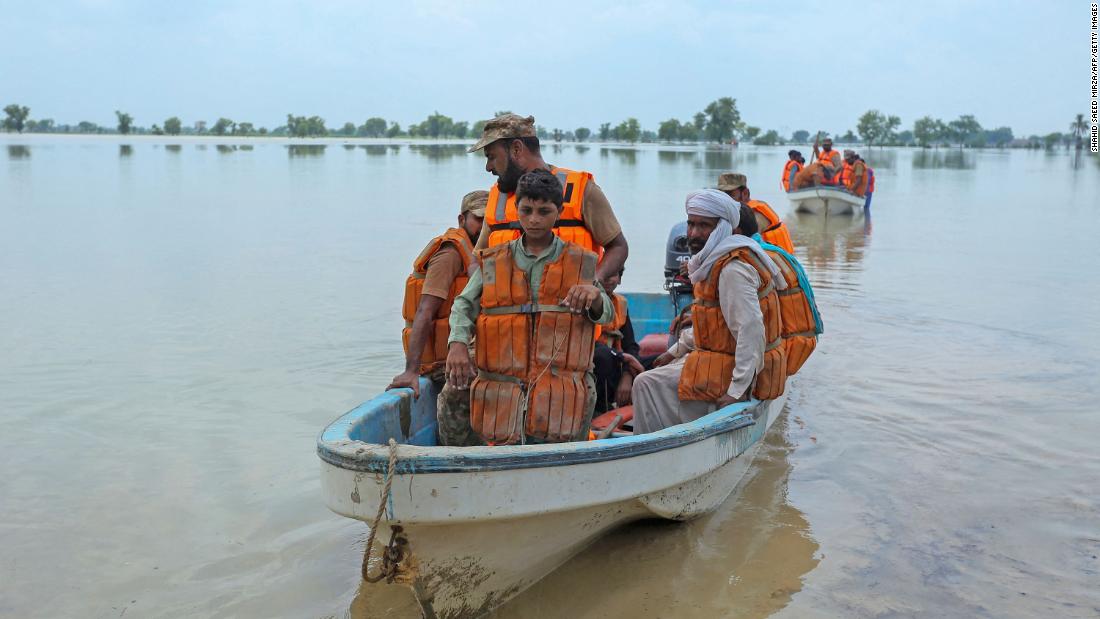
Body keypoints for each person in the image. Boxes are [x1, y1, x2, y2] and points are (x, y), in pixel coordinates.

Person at [445, 170, 614, 444]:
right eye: (527, 210)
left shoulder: (579, 262)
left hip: (560, 389)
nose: (534, 219)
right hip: (504, 385)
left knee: (586, 392)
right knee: (453, 395)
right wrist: (458, 344)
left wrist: (595, 296)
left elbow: (607, 312)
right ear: (516, 209)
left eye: (544, 211)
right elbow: (464, 304)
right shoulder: (494, 262)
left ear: (558, 211)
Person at [632, 190, 788, 434]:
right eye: (691, 224)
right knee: (658, 372)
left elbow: (751, 332)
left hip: (740, 372)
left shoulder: (732, 270)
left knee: (645, 383)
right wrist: (675, 351)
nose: (693, 233)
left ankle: (651, 448)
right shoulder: (715, 261)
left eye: (704, 226)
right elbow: (716, 326)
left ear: (723, 229)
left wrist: (736, 391)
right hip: (724, 358)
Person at [467, 113, 628, 286]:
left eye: (491, 157)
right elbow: (476, 260)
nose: (488, 167)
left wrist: (595, 281)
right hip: (509, 311)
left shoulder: (580, 190)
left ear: (516, 149)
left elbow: (618, 247)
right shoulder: (497, 198)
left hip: (569, 310)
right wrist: (483, 289)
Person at [387, 190, 484, 446]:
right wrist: (411, 370)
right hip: (445, 363)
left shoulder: (481, 252)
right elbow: (425, 311)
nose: (484, 226)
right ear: (462, 219)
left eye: (489, 221)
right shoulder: (451, 253)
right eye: (478, 219)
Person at [592, 267, 647, 414]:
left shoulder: (621, 304)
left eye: (613, 275)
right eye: (605, 275)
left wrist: (627, 375)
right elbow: (588, 345)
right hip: (597, 363)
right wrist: (621, 357)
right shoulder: (588, 302)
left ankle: (642, 408)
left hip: (619, 364)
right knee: (604, 357)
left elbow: (631, 345)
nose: (608, 279)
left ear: (620, 279)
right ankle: (599, 408)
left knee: (657, 362)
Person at [717, 172, 795, 253]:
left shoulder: (754, 216)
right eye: (720, 194)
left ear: (745, 193)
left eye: (729, 194)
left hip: (777, 260)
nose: (724, 199)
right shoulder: (742, 211)